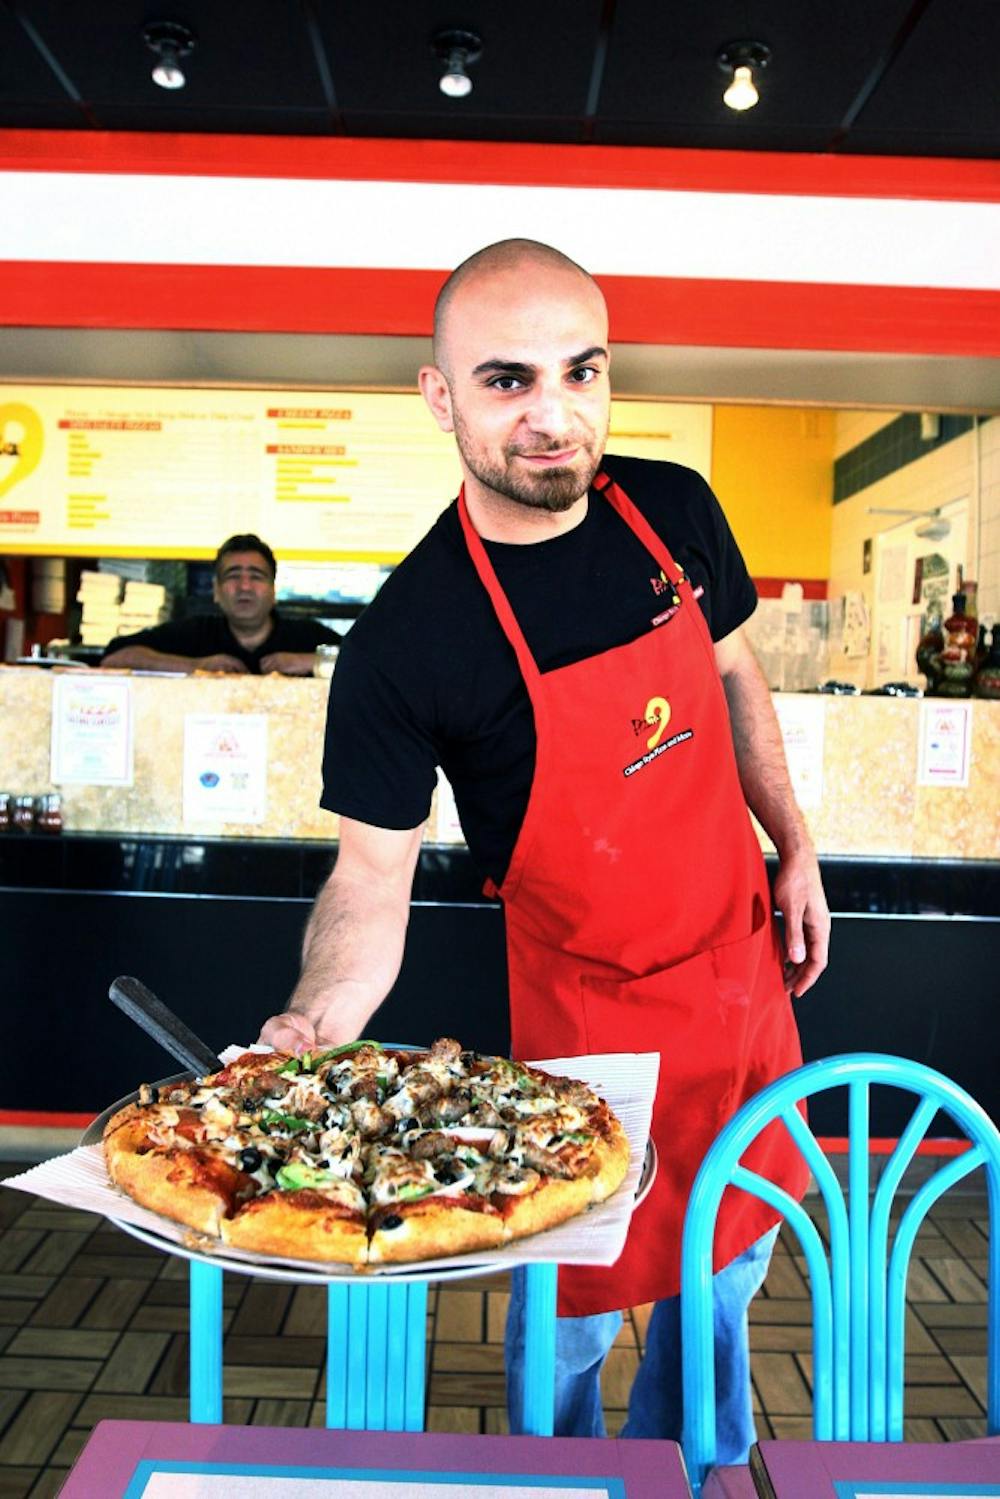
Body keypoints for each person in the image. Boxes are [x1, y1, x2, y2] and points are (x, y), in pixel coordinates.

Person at [259, 239, 830, 1457]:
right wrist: (316, 1016)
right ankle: (556, 1478)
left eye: (583, 371)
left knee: (720, 1291)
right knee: (567, 1319)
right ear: (440, 396)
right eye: (508, 380)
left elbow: (734, 678)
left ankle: (689, 1476)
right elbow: (370, 877)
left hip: (735, 996)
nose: (553, 417)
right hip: (584, 1049)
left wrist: (793, 843)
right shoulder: (409, 641)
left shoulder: (671, 507)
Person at [100, 533, 339, 676]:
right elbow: (114, 658)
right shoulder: (194, 633)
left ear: (273, 590)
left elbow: (370, 666)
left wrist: (310, 662)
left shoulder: (307, 636)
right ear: (216, 590)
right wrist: (195, 666)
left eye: (256, 576)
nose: (244, 586)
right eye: (233, 575)